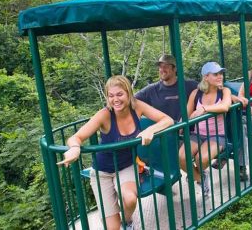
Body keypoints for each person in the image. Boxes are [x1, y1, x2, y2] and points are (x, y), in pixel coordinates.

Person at [57, 75, 173, 230]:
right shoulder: (104, 115)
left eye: (119, 94)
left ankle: (126, 221)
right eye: (111, 96)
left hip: (126, 166)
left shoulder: (137, 106)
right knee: (112, 228)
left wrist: (150, 130)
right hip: (102, 172)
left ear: (129, 94)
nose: (115, 100)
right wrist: (75, 148)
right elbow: (76, 137)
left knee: (130, 199)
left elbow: (167, 120)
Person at [178, 62, 232, 197]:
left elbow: (225, 106)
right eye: (216, 74)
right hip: (197, 134)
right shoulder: (196, 93)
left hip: (216, 135)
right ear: (206, 77)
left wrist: (204, 109)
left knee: (201, 159)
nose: (220, 76)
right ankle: (200, 178)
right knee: (182, 157)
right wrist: (178, 127)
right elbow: (187, 114)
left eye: (221, 73)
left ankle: (197, 174)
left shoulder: (224, 91)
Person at [135, 54, 198, 122]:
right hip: (164, 131)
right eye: (160, 67)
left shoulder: (190, 85)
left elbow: (208, 92)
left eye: (166, 66)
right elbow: (131, 100)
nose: (162, 70)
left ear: (175, 69)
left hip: (187, 131)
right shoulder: (151, 90)